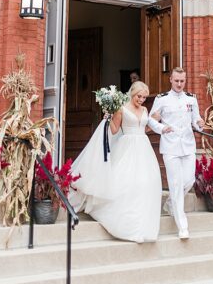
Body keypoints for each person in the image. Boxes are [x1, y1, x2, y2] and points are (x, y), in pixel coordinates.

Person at [69, 81, 161, 243]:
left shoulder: (145, 109)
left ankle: (142, 225)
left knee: (145, 183)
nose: (141, 100)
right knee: (124, 181)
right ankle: (124, 223)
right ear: (132, 93)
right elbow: (114, 130)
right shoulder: (122, 108)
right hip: (127, 147)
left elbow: (144, 126)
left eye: (144, 97)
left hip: (144, 148)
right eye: (139, 96)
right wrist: (108, 117)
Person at [147, 67, 204, 240]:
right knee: (176, 184)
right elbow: (151, 118)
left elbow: (195, 121)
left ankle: (171, 203)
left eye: (182, 81)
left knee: (189, 180)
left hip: (187, 145)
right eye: (177, 80)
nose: (180, 84)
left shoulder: (191, 99)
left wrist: (199, 123)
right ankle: (182, 226)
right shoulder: (161, 99)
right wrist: (162, 128)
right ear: (171, 79)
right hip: (170, 145)